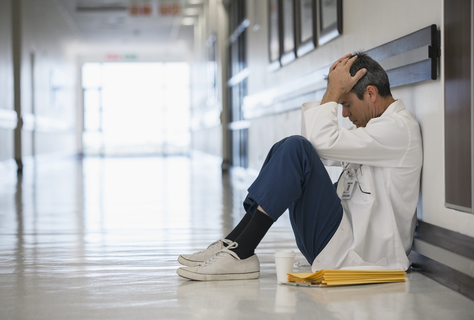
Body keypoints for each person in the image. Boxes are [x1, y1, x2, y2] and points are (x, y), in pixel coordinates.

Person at [177, 52, 423, 281]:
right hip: (340, 240)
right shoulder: (376, 129)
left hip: (364, 256)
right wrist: (334, 92)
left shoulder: (397, 129)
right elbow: (317, 148)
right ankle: (234, 244)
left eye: (346, 104)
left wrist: (333, 90)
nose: (345, 114)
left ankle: (242, 252)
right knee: (285, 147)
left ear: (370, 94)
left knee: (296, 148)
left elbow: (317, 145)